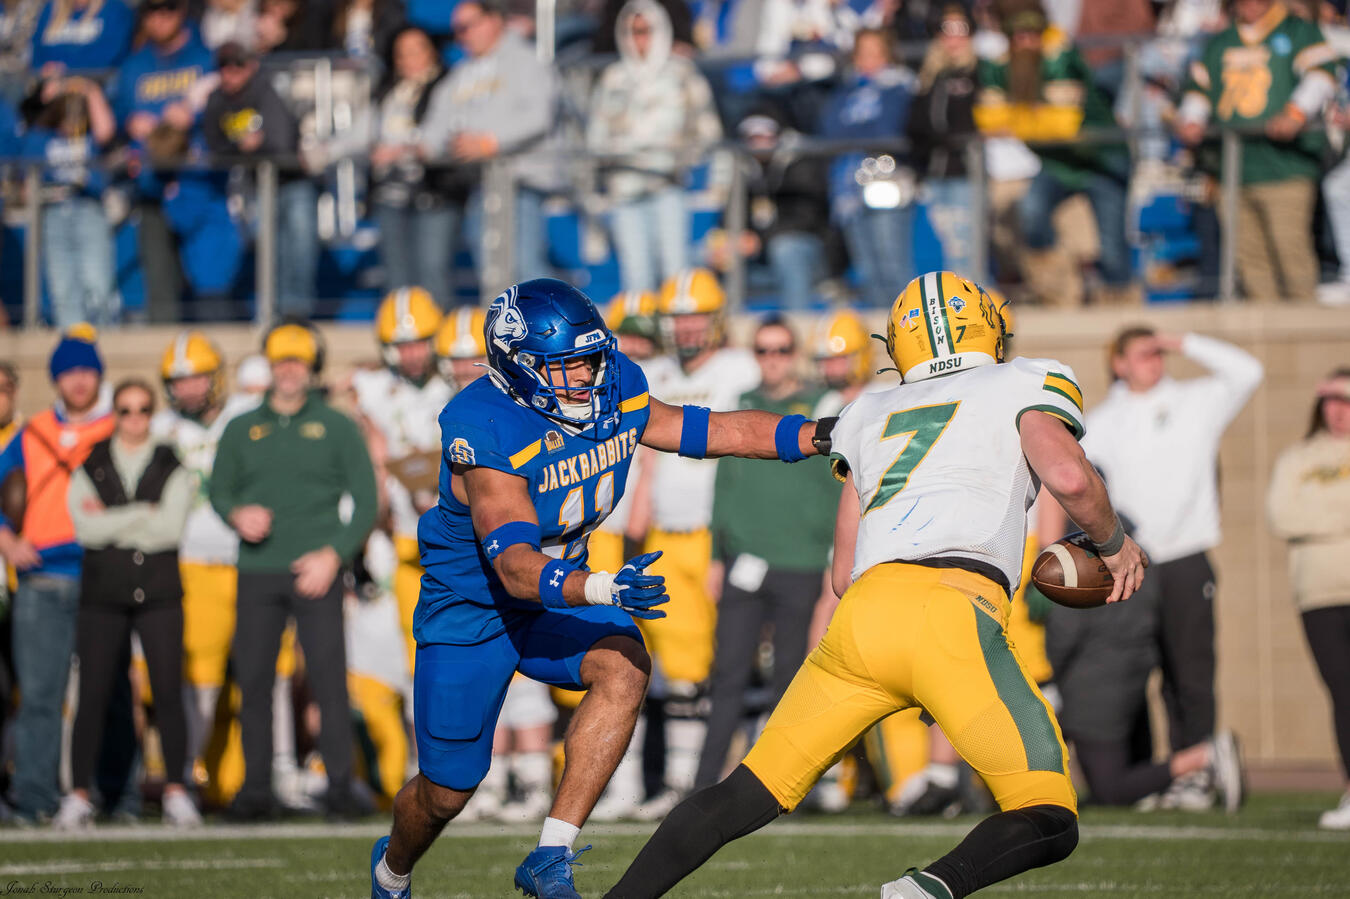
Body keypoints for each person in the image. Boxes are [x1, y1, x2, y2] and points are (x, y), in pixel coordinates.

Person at [604, 271, 1150, 899]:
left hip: (861, 621)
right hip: (953, 611)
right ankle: (925, 890)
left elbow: (838, 566)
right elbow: (1069, 477)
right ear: (986, 324)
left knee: (741, 794)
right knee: (1049, 814)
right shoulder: (1027, 379)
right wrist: (1114, 543)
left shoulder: (869, 410)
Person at [368, 277, 828, 899]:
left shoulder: (613, 386)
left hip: (554, 596)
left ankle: (550, 855)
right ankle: (392, 869)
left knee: (625, 664)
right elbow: (514, 567)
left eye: (590, 357)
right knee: (447, 791)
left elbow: (708, 430)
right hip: (474, 610)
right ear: (519, 366)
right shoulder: (482, 421)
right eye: (566, 365)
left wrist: (818, 436)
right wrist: (599, 585)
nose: (586, 375)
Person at [1081, 326, 1262, 810]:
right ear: (1118, 362)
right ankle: (1148, 773)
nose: (1154, 362)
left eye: (1158, 354)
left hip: (1185, 556)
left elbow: (1250, 372)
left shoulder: (1195, 401)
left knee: (1190, 672)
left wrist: (1184, 341)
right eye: (1142, 355)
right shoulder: (1100, 421)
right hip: (1128, 563)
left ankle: (1197, 773)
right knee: (1131, 671)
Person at [210, 321, 377, 820]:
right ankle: (256, 789)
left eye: (297, 364)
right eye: (281, 363)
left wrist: (334, 554)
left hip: (316, 569)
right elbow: (219, 489)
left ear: (310, 369)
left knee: (328, 681)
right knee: (256, 682)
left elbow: (367, 502)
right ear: (270, 367)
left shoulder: (337, 424)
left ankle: (341, 787)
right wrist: (236, 512)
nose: (288, 372)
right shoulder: (241, 426)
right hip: (258, 569)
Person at [695, 317, 838, 790]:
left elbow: (842, 491)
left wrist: (836, 564)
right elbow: (723, 485)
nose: (771, 359)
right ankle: (702, 785)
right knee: (728, 675)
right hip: (745, 560)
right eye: (762, 350)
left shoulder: (824, 407)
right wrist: (717, 556)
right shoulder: (743, 405)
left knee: (792, 680)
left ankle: (783, 785)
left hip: (803, 562)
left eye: (780, 349)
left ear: (794, 352)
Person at [637, 269, 761, 803]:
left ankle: (757, 777)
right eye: (677, 317)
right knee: (683, 668)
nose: (685, 328)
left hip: (723, 535)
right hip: (666, 534)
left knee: (741, 658)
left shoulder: (739, 368)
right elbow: (644, 466)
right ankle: (685, 782)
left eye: (695, 316)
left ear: (716, 321)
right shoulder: (653, 372)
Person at [56, 378, 201, 829]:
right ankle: (80, 793)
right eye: (124, 409)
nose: (134, 418)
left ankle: (177, 789)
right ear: (113, 413)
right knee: (94, 692)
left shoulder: (171, 461)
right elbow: (84, 528)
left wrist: (116, 522)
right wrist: (143, 514)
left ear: (151, 413)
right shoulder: (93, 461)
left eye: (142, 409)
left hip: (159, 591)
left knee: (168, 690)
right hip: (103, 593)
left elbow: (171, 529)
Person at [0, 333, 113, 824]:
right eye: (69, 372)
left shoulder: (118, 428)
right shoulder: (31, 433)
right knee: (40, 697)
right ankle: (32, 797)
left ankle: (114, 794)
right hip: (42, 578)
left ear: (99, 375)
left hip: (103, 577)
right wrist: (7, 541)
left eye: (87, 371)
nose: (79, 379)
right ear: (55, 379)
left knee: (108, 692)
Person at [151, 331, 260, 806]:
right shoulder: (159, 428)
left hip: (252, 561)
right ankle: (185, 775)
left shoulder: (246, 417)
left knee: (266, 674)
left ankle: (266, 775)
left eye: (197, 377)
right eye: (179, 380)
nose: (189, 388)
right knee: (200, 677)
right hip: (192, 564)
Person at [1176, 0, 1336, 303]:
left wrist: (1296, 112)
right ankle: (1267, 335)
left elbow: (1321, 74)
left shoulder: (1298, 31)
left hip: (1285, 166)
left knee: (1291, 253)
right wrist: (1191, 119)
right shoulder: (1221, 42)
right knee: (1249, 261)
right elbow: (1198, 89)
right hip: (1233, 168)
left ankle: (1301, 328)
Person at [975, 4, 1135, 307]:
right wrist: (1027, 119)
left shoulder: (1061, 56)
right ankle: (1058, 292)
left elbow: (1064, 123)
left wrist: (1019, 120)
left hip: (1103, 159)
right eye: (1018, 35)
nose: (1026, 42)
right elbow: (988, 119)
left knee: (1112, 245)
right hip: (1058, 163)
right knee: (1031, 213)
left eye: (1033, 34)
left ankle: (1122, 310)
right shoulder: (1003, 64)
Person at [420, 0, 563, 282]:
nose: (461, 36)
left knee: (525, 269)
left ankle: (558, 323)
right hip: (482, 184)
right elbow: (435, 128)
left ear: (494, 20)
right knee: (493, 273)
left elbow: (538, 116)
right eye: (456, 30)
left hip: (522, 182)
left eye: (467, 26)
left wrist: (489, 142)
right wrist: (427, 146)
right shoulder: (461, 74)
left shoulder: (527, 59)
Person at [586, 0, 721, 293]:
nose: (640, 39)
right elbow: (595, 138)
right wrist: (621, 151)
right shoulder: (613, 78)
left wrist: (679, 156)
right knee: (636, 275)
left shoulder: (682, 73)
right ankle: (643, 337)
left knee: (675, 271)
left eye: (646, 30)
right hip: (624, 187)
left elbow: (708, 131)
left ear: (661, 30)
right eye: (633, 31)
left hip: (667, 184)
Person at [351, 287, 452, 671]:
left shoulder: (454, 385)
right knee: (418, 655)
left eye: (420, 342)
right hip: (406, 537)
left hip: (459, 534)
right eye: (402, 345)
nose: (412, 353)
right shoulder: (373, 391)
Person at [1266, 369, 1350, 829]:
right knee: (1344, 692)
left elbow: (1305, 513)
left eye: (1346, 399)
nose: (1339, 410)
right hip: (1319, 593)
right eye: (1331, 400)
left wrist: (1320, 513)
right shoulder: (1299, 457)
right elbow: (1282, 515)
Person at [202, 41, 318, 316]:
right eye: (223, 67)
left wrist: (255, 147)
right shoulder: (217, 100)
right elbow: (215, 147)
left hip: (293, 182)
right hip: (257, 185)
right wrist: (241, 147)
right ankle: (272, 313)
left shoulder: (268, 89)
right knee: (268, 251)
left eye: (237, 66)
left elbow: (282, 143)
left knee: (299, 248)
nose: (230, 73)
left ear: (251, 66)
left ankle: (297, 313)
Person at [819, 28, 918, 308]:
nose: (869, 60)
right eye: (863, 53)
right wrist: (860, 132)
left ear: (889, 54)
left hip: (889, 180)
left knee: (892, 261)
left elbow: (889, 129)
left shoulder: (902, 87)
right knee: (866, 267)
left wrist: (857, 132)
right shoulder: (846, 89)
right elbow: (830, 130)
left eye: (876, 53)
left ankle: (908, 327)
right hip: (849, 184)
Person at [20, 72, 119, 328]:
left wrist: (87, 88)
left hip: (88, 208)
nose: (71, 113)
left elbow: (106, 131)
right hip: (53, 213)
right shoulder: (42, 137)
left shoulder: (90, 137)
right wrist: (51, 90)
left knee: (97, 285)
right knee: (62, 288)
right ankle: (73, 346)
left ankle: (103, 339)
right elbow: (26, 182)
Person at [907, 4, 982, 281]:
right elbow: (916, 124)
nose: (953, 37)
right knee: (945, 246)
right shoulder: (929, 77)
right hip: (935, 171)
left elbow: (976, 122)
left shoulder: (980, 72)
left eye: (960, 29)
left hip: (968, 170)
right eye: (945, 29)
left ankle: (975, 310)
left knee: (966, 245)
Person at [435, 305, 489, 392]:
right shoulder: (436, 399)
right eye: (458, 360)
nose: (466, 369)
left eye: (474, 359)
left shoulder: (509, 401)